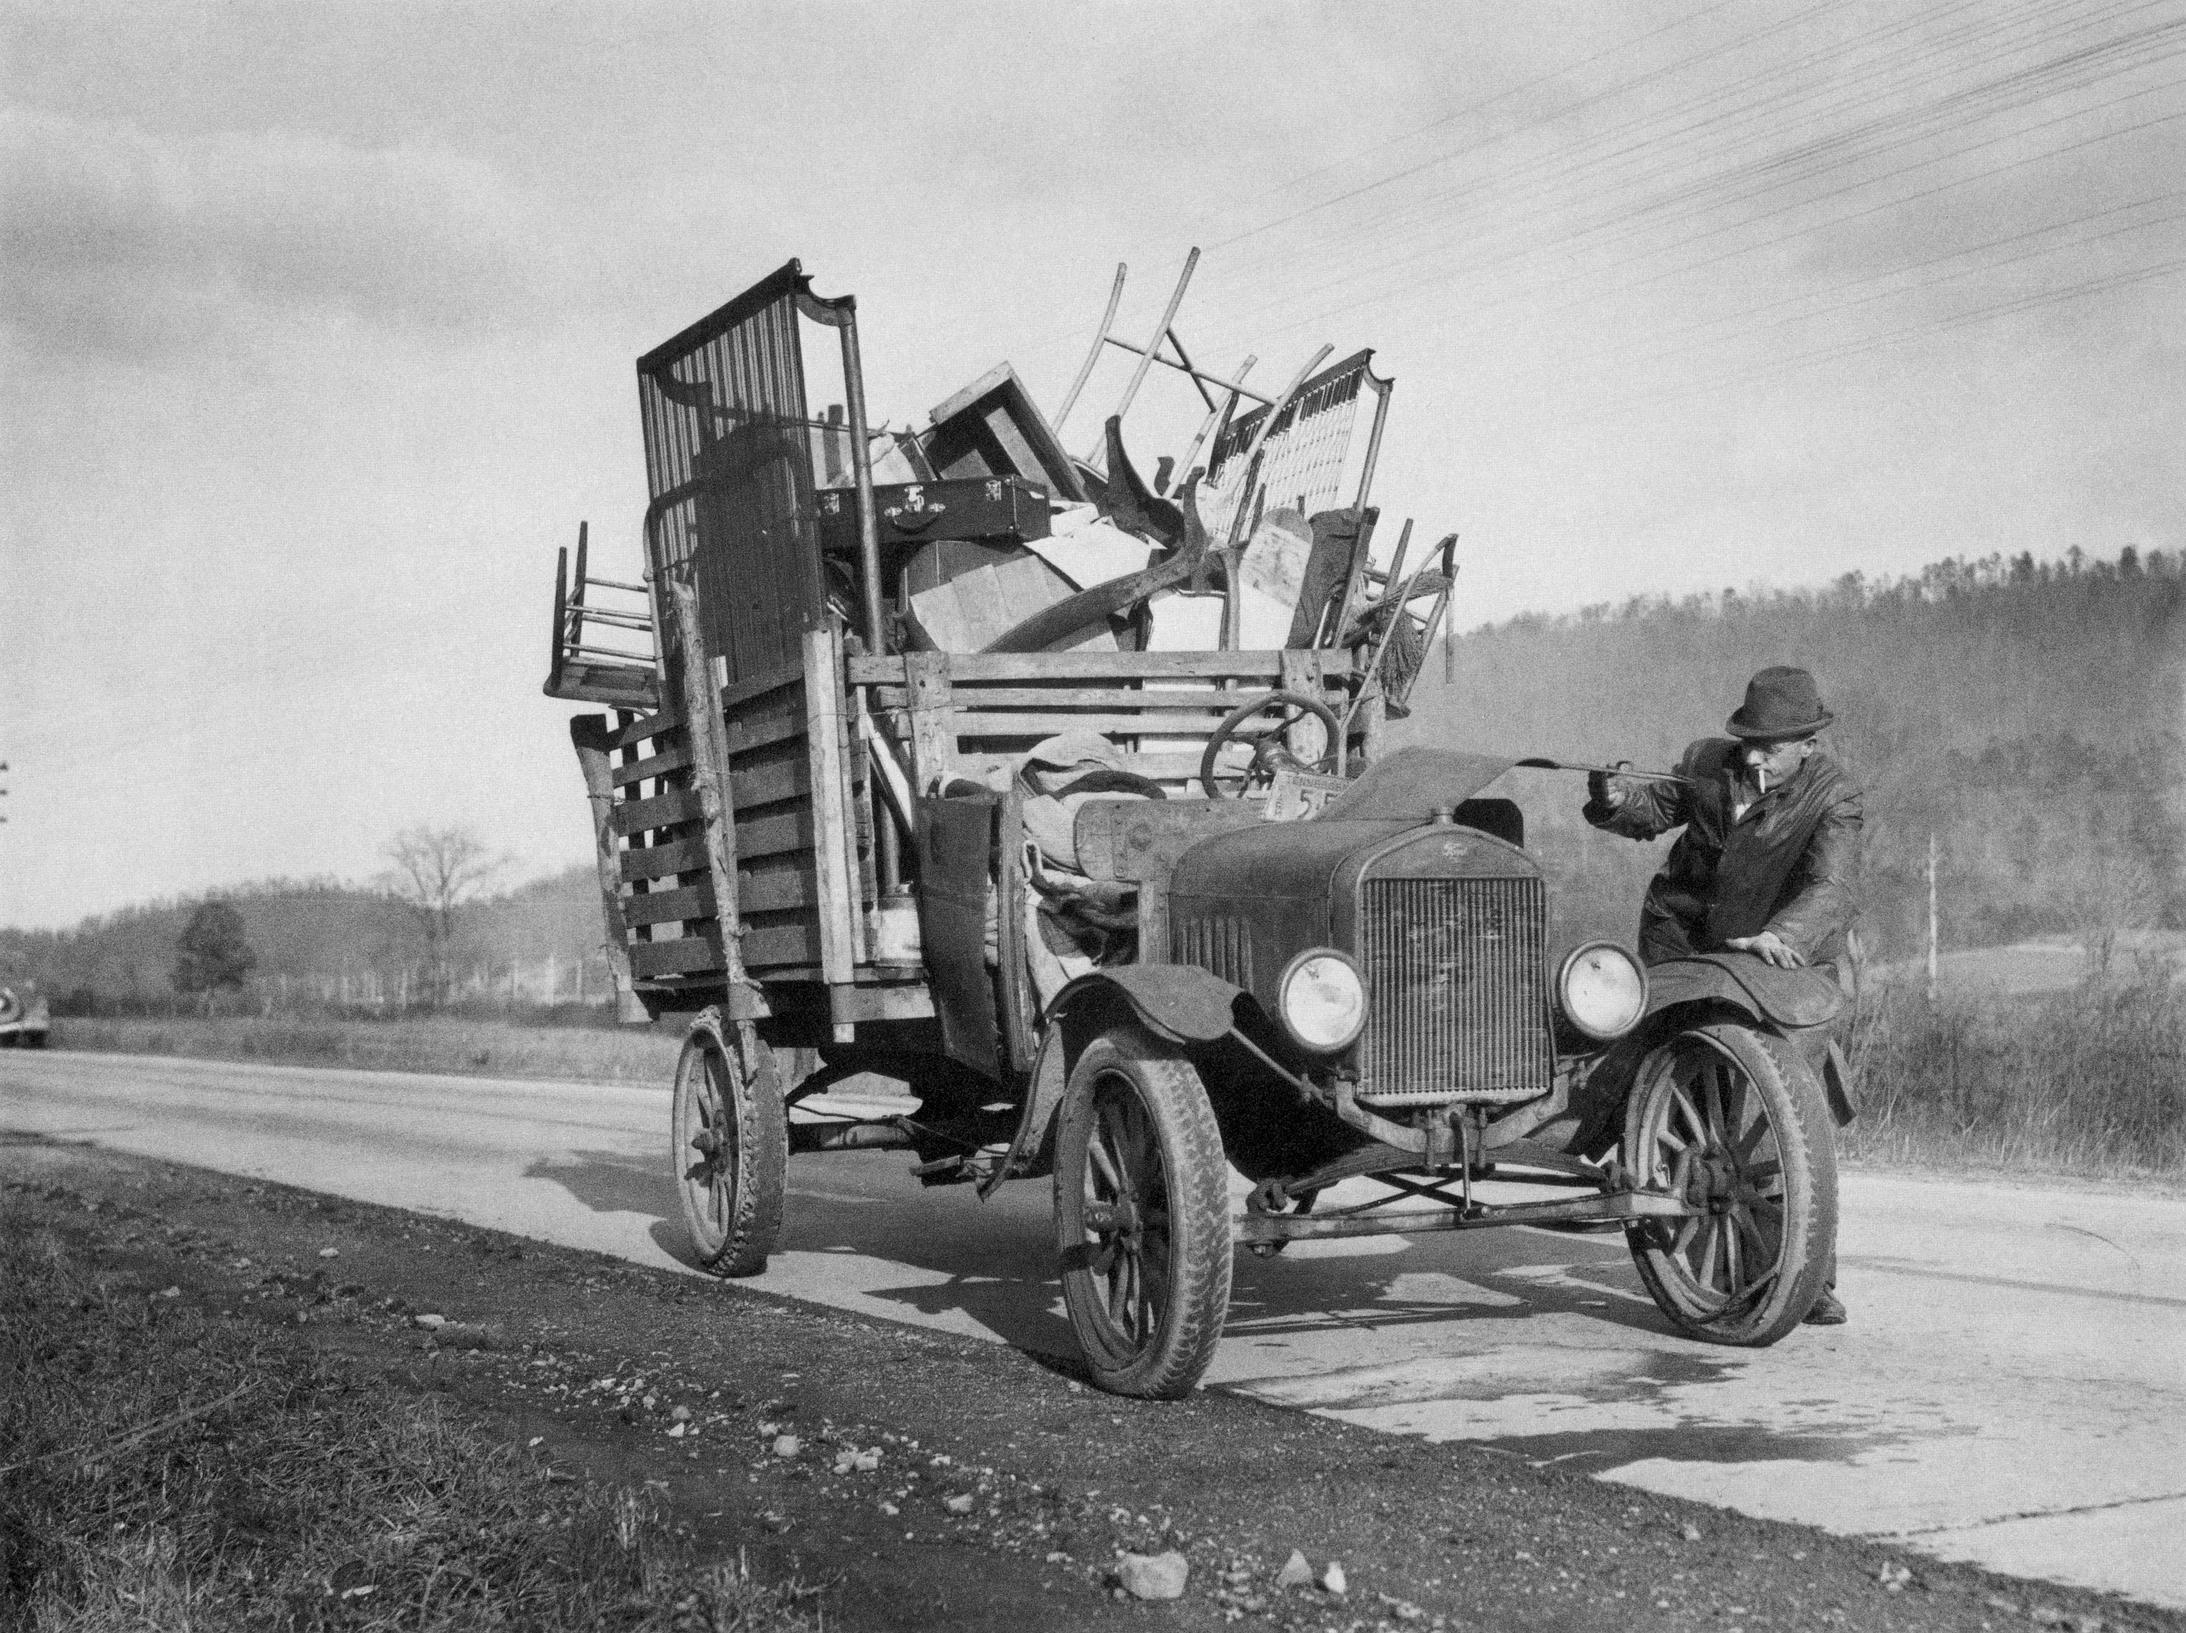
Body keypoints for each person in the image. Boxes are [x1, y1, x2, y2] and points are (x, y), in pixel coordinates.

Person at [1583, 665, 1860, 1325]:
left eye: (1771, 744)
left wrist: (1778, 933)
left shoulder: (1835, 797)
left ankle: (1803, 1276)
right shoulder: (1709, 763)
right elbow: (1651, 811)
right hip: (1683, 940)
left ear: (1809, 743)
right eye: (1749, 739)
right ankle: (1649, 1193)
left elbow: (1832, 889)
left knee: (1782, 1104)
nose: (1754, 754)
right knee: (1675, 1083)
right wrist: (1615, 796)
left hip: (1785, 960)